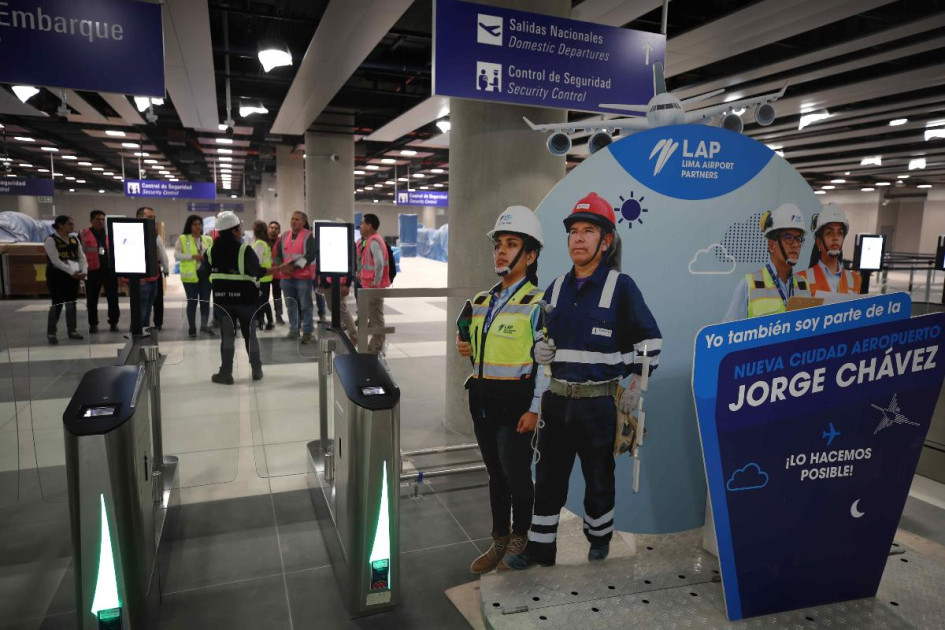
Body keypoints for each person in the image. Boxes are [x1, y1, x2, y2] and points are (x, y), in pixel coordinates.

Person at [502, 192, 662, 570]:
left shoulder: (621, 288)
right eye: (574, 231)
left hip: (598, 406)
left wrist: (635, 382)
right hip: (556, 403)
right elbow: (545, 337)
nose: (578, 238)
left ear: (606, 241)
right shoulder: (555, 288)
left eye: (588, 231)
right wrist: (541, 350)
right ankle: (540, 548)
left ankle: (599, 539)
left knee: (599, 479)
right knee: (548, 480)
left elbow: (651, 342)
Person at [455, 206, 546, 574]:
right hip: (482, 403)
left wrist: (536, 408)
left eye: (511, 244)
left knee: (516, 473)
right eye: (498, 245)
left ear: (531, 255)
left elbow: (547, 365)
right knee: (495, 474)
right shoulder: (480, 302)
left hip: (516, 405)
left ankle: (521, 537)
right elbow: (477, 351)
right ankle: (498, 538)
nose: (502, 252)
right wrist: (467, 348)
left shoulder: (538, 304)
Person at [199, 211, 263, 383]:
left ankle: (226, 373)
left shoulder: (211, 251)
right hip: (246, 301)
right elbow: (257, 271)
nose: (241, 230)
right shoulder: (245, 250)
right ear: (234, 231)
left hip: (223, 301)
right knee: (251, 335)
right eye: (239, 228)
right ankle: (257, 370)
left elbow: (202, 273)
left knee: (227, 336)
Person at [723, 203, 812, 322]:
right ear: (771, 245)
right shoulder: (748, 285)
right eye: (788, 238)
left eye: (798, 239)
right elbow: (731, 333)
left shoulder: (804, 285)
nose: (795, 244)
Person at [271, 211, 317, 343]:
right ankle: (294, 330)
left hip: (302, 277)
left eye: (297, 219)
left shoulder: (308, 236)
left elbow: (310, 255)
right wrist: (282, 266)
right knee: (290, 305)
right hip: (286, 278)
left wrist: (294, 267)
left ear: (303, 222)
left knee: (305, 305)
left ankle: (307, 331)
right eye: (292, 219)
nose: (294, 221)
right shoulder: (285, 236)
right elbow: (278, 255)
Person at [798, 203, 861, 296]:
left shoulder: (854, 278)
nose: (835, 237)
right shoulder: (802, 278)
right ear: (818, 242)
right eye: (829, 233)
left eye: (840, 233)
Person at [44, 215, 87, 344]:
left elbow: (81, 257)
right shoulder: (50, 240)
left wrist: (84, 271)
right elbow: (55, 261)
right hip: (56, 276)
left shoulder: (74, 239)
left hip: (72, 277)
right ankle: (51, 332)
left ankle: (72, 330)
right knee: (57, 303)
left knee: (71, 303)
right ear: (60, 225)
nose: (72, 226)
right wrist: (71, 271)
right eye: (69, 224)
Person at [81, 210, 119, 332]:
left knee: (113, 298)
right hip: (92, 271)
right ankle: (93, 324)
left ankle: (113, 322)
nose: (101, 221)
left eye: (103, 219)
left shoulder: (109, 233)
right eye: (98, 219)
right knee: (92, 299)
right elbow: (79, 253)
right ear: (91, 220)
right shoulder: (83, 234)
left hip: (108, 271)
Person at [177, 214, 214, 338]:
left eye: (200, 224)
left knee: (205, 302)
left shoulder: (208, 239)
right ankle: (192, 328)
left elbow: (213, 255)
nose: (198, 227)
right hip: (190, 276)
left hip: (205, 275)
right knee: (192, 302)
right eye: (195, 224)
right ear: (190, 225)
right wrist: (192, 256)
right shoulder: (183, 238)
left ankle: (204, 326)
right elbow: (177, 255)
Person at [357, 213, 390, 354]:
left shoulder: (374, 241)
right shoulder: (370, 240)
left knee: (377, 319)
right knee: (374, 316)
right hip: (369, 287)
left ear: (370, 226)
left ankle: (375, 348)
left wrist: (375, 282)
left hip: (373, 288)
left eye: (363, 224)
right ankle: (375, 346)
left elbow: (379, 263)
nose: (360, 226)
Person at [136, 206, 169, 329]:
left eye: (153, 218)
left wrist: (165, 269)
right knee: (141, 310)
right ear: (139, 217)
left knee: (148, 309)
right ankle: (137, 336)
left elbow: (162, 254)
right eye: (149, 217)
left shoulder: (155, 236)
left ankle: (145, 333)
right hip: (139, 279)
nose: (152, 220)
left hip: (153, 278)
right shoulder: (130, 234)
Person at [251, 220, 275, 330]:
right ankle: (265, 320)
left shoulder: (259, 243)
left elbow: (257, 261)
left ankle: (266, 321)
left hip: (261, 276)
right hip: (266, 276)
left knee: (261, 300)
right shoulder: (265, 242)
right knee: (263, 300)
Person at [268, 221, 285, 325]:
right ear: (268, 229)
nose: (274, 230)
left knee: (277, 295)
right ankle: (262, 317)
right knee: (263, 297)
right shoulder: (263, 242)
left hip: (278, 273)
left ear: (279, 231)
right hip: (265, 273)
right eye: (272, 227)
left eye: (276, 228)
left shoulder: (282, 242)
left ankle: (278, 315)